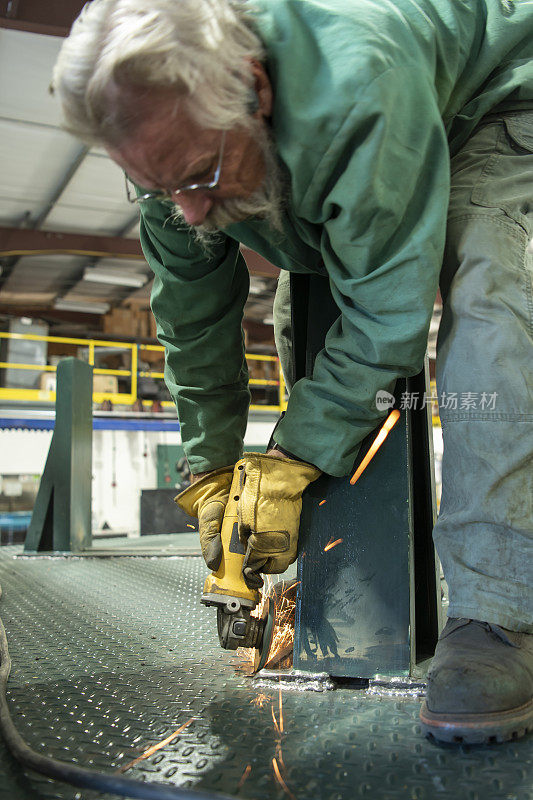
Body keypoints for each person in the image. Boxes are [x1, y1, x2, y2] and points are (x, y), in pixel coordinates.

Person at [52, 0, 532, 743]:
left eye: (200, 175)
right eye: (157, 186)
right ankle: (338, 579)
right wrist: (211, 467)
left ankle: (497, 612)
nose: (191, 209)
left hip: (498, 101)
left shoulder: (357, 76)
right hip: (336, 139)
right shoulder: (179, 154)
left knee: (490, 308)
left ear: (255, 87)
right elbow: (193, 317)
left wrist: (292, 455)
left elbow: (386, 320)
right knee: (302, 328)